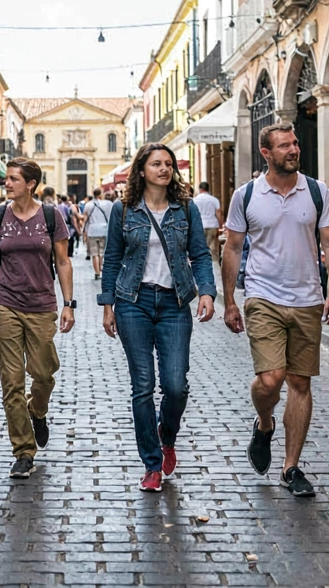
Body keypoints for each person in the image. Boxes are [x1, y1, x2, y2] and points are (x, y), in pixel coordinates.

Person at [221, 122, 329, 498]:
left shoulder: (318, 192)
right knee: (271, 380)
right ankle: (264, 423)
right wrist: (229, 300)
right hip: (263, 297)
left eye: (295, 143)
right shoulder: (246, 196)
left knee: (300, 383)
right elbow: (232, 248)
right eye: (284, 145)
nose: (293, 150)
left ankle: (291, 468)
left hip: (308, 298)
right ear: (266, 153)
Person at [99, 144, 215, 492]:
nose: (164, 169)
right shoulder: (123, 209)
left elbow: (201, 254)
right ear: (142, 170)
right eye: (156, 164)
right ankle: (151, 464)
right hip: (132, 302)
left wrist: (207, 291)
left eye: (168, 164)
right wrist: (108, 305)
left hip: (174, 302)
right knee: (143, 386)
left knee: (176, 385)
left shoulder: (186, 209)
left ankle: (168, 434)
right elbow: (112, 258)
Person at [0, 158, 75, 479]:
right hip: (5, 304)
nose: (7, 183)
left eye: (13, 179)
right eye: (6, 178)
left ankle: (38, 409)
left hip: (42, 305)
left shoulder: (51, 216)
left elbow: (63, 261)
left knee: (44, 373)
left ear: (31, 184)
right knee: (12, 382)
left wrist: (68, 303)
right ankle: (23, 451)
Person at [82, 188, 115, 280]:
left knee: (94, 253)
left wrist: (84, 231)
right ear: (101, 194)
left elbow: (85, 219)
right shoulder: (108, 204)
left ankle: (96, 272)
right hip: (104, 229)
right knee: (101, 252)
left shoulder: (88, 205)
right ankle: (100, 270)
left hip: (92, 230)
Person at [193, 181, 222, 263]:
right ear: (208, 189)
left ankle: (202, 263)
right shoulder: (214, 200)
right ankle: (214, 265)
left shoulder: (194, 201)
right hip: (212, 225)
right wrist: (220, 226)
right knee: (213, 248)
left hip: (199, 226)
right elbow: (218, 213)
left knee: (200, 248)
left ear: (200, 189)